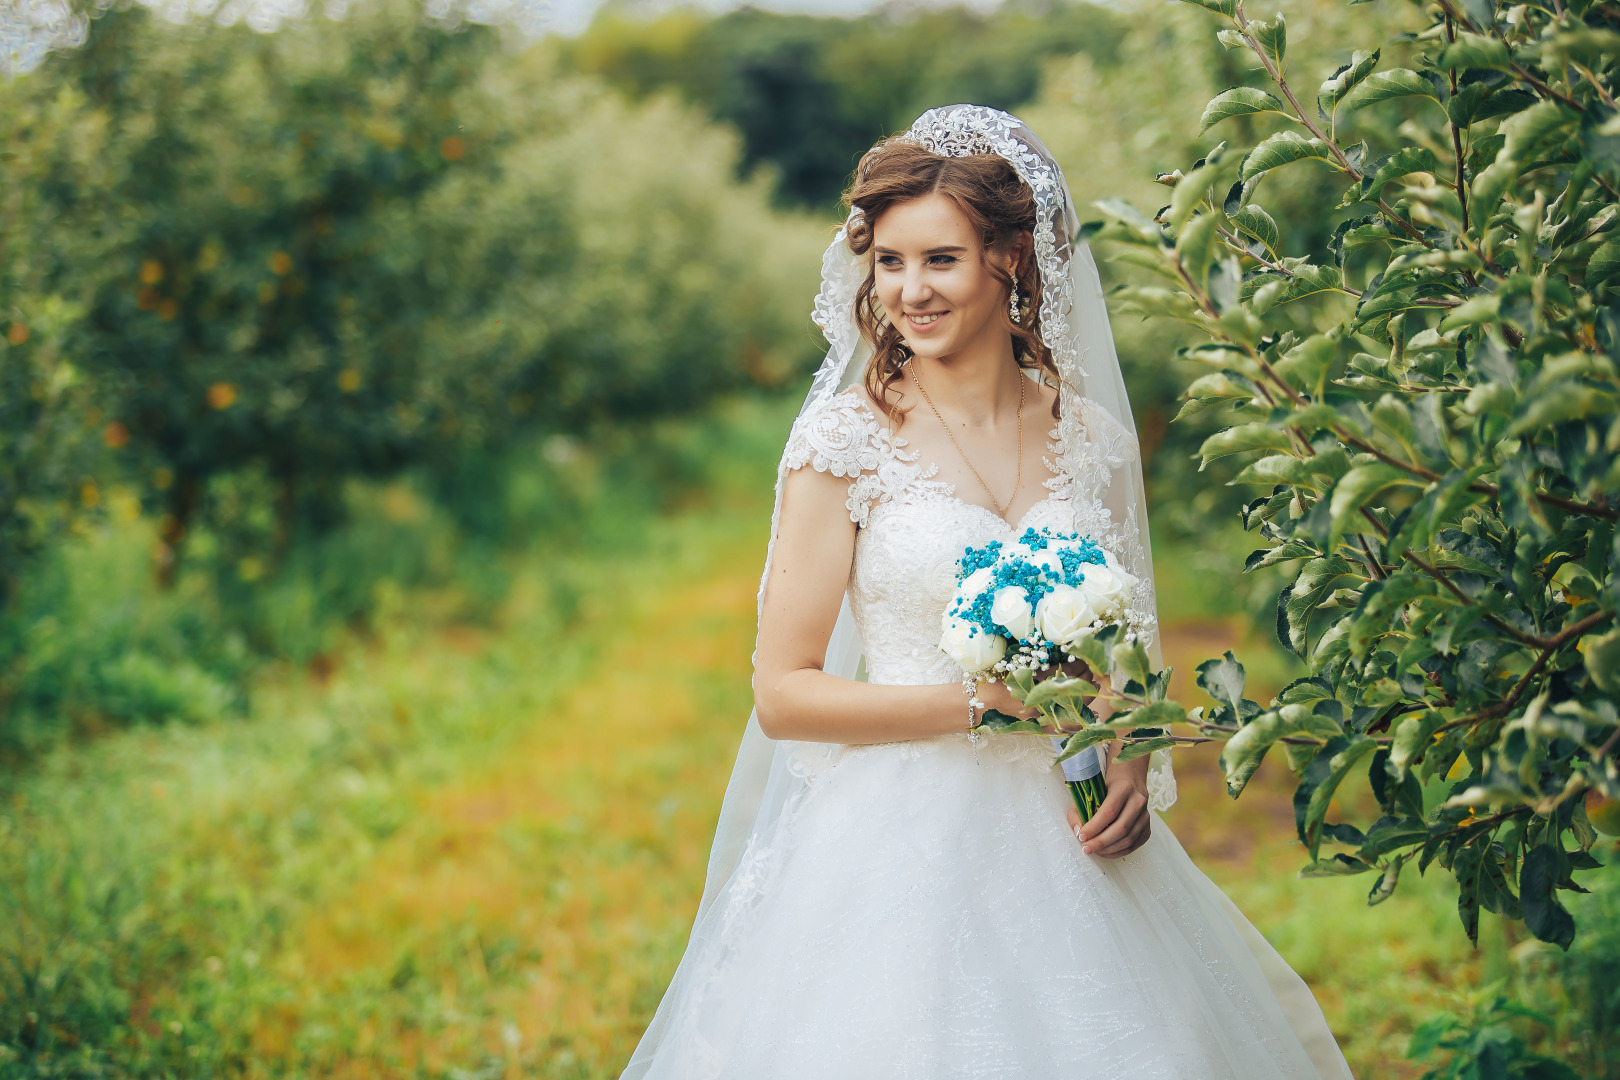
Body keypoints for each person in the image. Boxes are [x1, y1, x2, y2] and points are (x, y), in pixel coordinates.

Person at [621, 105, 1354, 1080]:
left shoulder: (1087, 434)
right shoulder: (844, 445)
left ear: (1009, 256)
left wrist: (1130, 759)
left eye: (940, 261)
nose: (909, 292)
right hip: (898, 842)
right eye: (888, 262)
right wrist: (978, 704)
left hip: (1069, 831)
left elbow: (1128, 643)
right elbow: (784, 692)